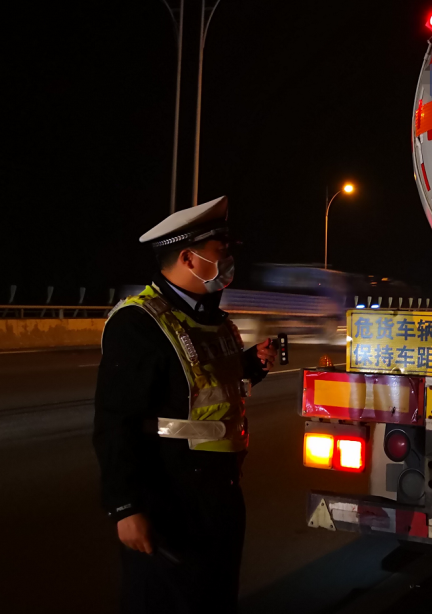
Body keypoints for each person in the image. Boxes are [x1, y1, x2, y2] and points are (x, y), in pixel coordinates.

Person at [93, 196, 277, 614]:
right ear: (188, 259)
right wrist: (126, 506)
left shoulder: (213, 320)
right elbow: (115, 420)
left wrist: (251, 365)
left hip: (220, 494)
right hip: (169, 498)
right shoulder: (139, 322)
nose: (228, 260)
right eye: (220, 250)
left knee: (214, 599)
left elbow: (202, 388)